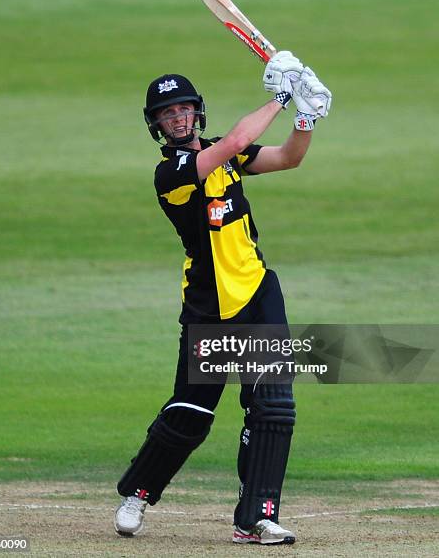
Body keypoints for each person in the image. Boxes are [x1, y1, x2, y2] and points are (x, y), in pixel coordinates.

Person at [114, 52, 332, 545]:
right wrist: (281, 94)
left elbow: (288, 157)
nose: (177, 118)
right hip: (209, 308)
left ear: (197, 111)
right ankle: (138, 494)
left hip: (257, 295)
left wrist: (305, 117)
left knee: (274, 408)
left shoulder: (227, 156)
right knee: (191, 415)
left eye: (184, 109)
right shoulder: (171, 175)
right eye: (167, 114)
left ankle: (256, 517)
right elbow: (238, 139)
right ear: (157, 126)